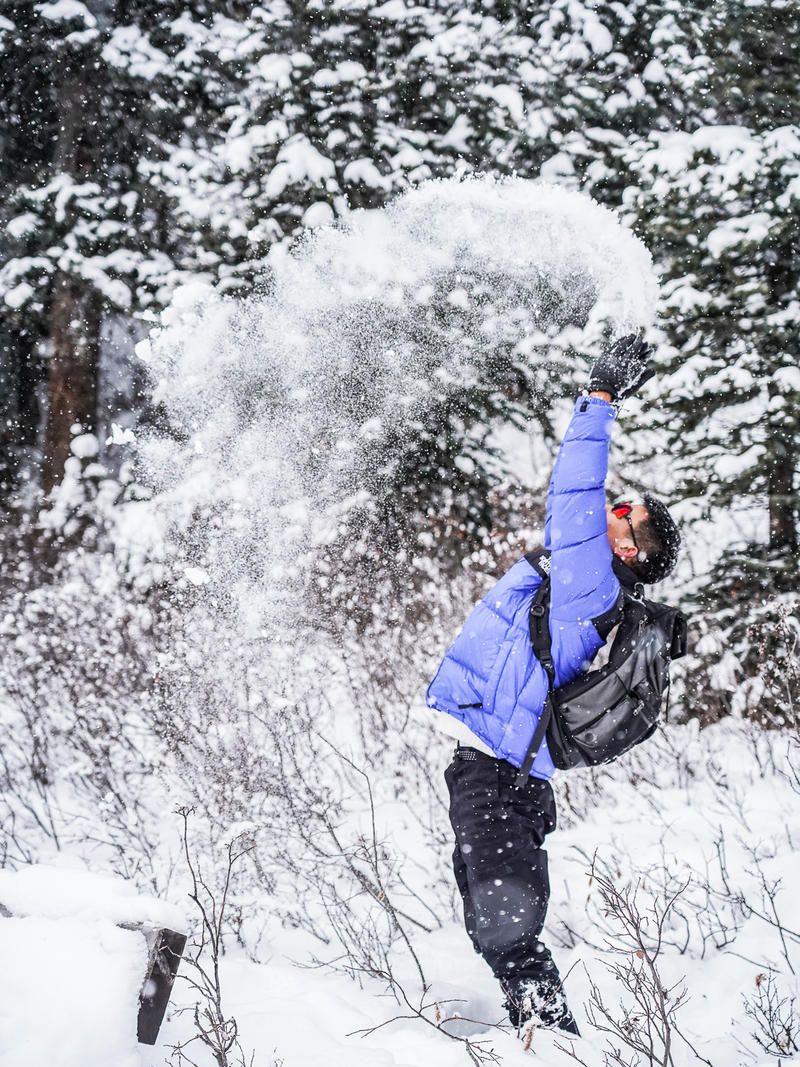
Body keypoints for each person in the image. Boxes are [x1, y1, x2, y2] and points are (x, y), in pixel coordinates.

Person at [425, 335, 681, 1035]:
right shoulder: (587, 584)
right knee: (496, 931)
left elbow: (573, 485)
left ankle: (553, 1046)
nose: (612, 504)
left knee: (508, 937)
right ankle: (534, 1037)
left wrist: (600, 398)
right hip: (496, 769)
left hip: (503, 775)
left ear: (630, 547)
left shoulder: (589, 578)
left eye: (623, 510)